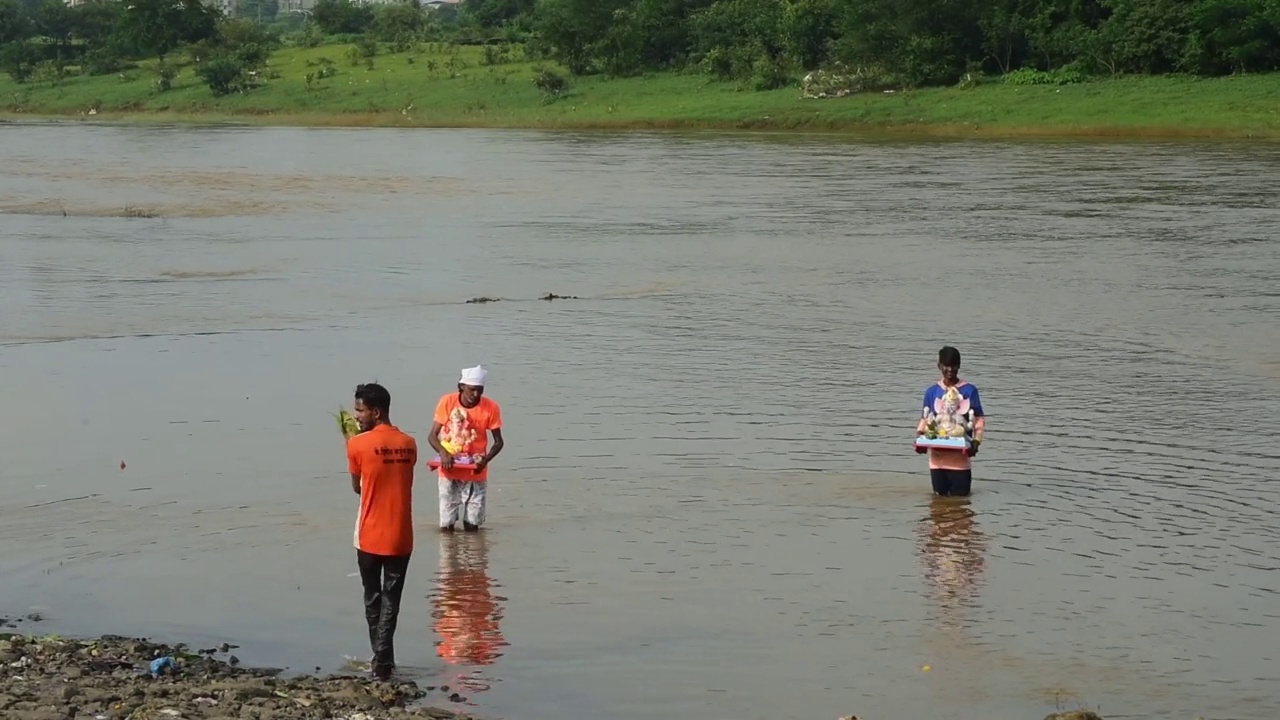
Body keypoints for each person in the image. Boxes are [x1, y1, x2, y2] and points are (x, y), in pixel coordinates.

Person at [346, 382, 418, 681]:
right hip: (401, 534)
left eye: (360, 410)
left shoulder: (356, 444)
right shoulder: (409, 443)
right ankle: (383, 660)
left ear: (376, 411)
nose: (356, 416)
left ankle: (381, 661)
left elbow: (357, 488)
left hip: (370, 534)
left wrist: (358, 442)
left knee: (372, 598)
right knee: (392, 599)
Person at [429, 365, 504, 532]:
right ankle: (450, 556)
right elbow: (432, 436)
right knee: (446, 526)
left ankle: (473, 556)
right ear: (462, 386)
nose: (475, 395)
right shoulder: (447, 402)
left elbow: (498, 442)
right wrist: (444, 453)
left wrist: (485, 460)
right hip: (449, 470)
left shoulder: (491, 407)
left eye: (479, 390)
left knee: (472, 524)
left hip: (475, 471)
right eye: (472, 390)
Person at [915, 346, 986, 497]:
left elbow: (979, 419)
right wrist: (919, 439)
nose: (950, 369)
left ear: (959, 366)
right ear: (939, 366)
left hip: (960, 461)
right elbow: (925, 418)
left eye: (954, 365)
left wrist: (976, 442)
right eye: (946, 365)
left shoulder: (969, 391)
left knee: (961, 503)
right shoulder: (932, 392)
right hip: (937, 461)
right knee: (939, 505)